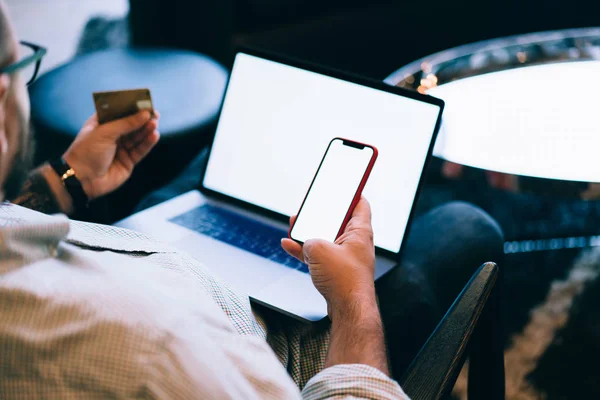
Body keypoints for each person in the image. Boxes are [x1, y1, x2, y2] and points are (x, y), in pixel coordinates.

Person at [0, 2, 503, 398]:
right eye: (24, 62)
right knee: (464, 224)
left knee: (212, 171)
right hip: (271, 337)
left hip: (155, 250)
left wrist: (63, 182)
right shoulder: (158, 347)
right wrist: (353, 303)